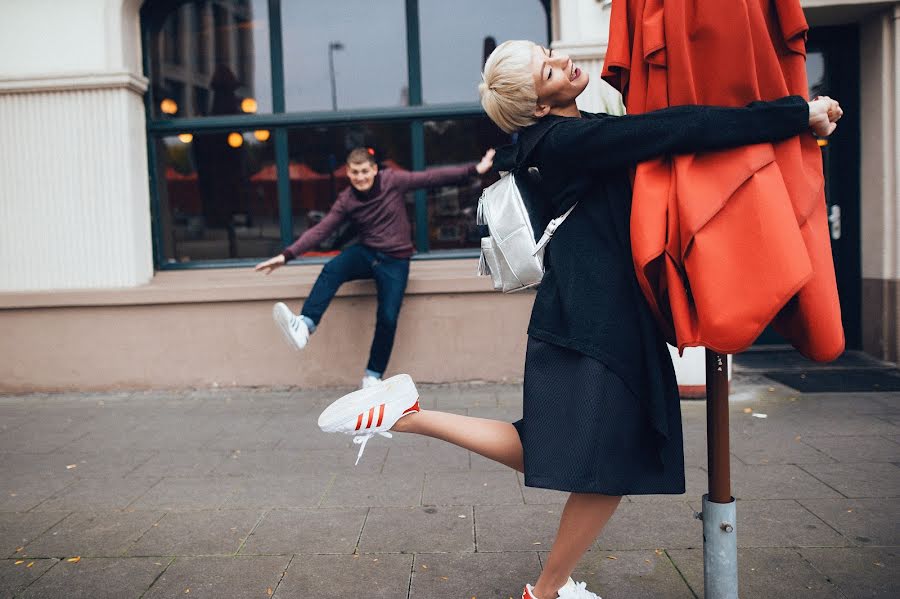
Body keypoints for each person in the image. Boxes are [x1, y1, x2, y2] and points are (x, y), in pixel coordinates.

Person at [314, 41, 842, 599]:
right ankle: (543, 589)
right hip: (597, 318)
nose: (563, 60)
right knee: (600, 464)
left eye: (549, 52)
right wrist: (793, 114)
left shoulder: (563, 132)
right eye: (549, 69)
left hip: (591, 311)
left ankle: (408, 416)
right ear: (540, 105)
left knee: (560, 452)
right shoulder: (565, 142)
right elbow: (678, 128)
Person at [255, 147, 496, 389]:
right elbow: (321, 230)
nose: (360, 177)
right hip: (368, 252)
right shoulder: (347, 200)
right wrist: (287, 256)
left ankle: (372, 376)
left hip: (395, 260)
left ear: (374, 170)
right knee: (333, 269)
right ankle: (305, 326)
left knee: (388, 318)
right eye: (355, 172)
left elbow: (431, 178)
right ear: (348, 174)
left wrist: (475, 169)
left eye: (364, 171)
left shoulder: (392, 180)